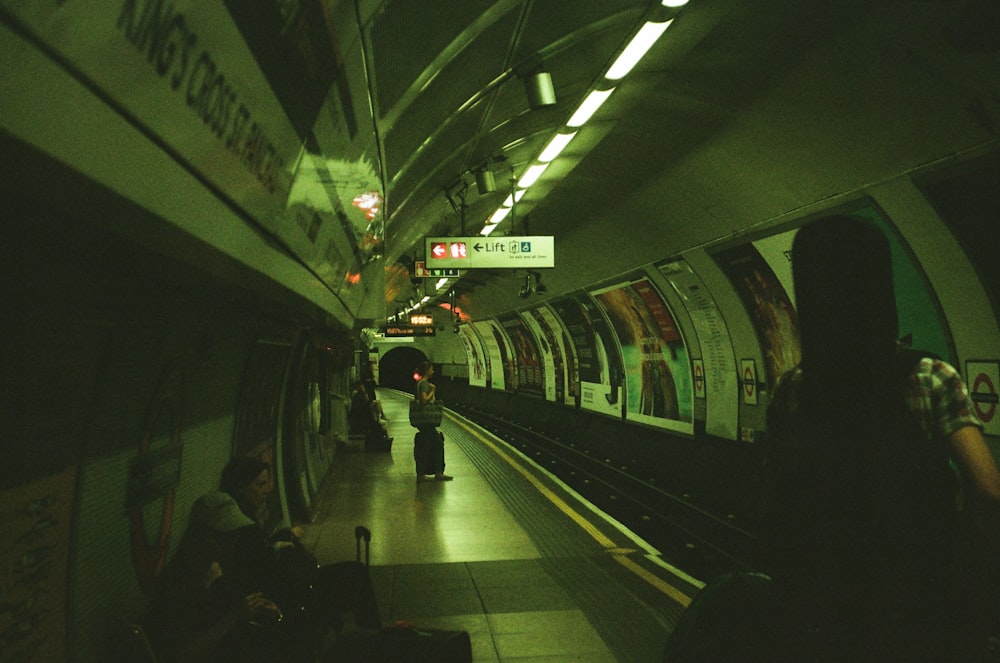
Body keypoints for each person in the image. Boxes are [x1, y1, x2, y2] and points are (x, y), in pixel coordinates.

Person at [762, 215, 1000, 661]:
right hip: (918, 607)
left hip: (823, 606)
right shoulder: (930, 378)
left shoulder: (793, 391)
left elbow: (776, 494)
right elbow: (988, 490)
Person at [217, 457, 383, 637]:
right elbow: (267, 569)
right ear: (241, 486)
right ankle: (371, 633)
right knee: (355, 574)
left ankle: (368, 631)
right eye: (260, 484)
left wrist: (278, 543)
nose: (267, 490)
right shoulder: (243, 528)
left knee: (351, 573)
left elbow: (260, 556)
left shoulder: (241, 518)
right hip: (293, 595)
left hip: (289, 587)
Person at [144, 492, 290, 663]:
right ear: (201, 536)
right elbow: (179, 656)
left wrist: (259, 609)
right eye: (225, 535)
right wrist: (233, 617)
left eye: (234, 534)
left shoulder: (214, 568)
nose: (232, 542)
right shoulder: (176, 583)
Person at [414, 361, 452, 481]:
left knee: (425, 446)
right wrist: (433, 391)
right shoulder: (424, 383)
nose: (433, 371)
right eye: (431, 369)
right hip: (426, 421)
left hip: (423, 421)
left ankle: (424, 473)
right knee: (437, 444)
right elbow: (424, 400)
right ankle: (437, 473)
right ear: (426, 371)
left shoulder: (421, 383)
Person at [349, 380, 392, 451]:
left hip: (361, 418)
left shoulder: (359, 395)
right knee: (377, 426)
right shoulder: (360, 396)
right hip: (361, 419)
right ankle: (383, 438)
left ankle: (382, 430)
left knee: (376, 423)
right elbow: (364, 411)